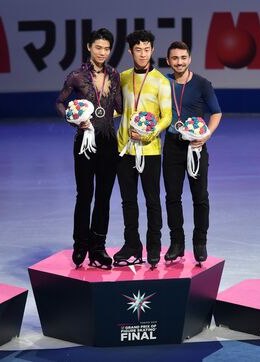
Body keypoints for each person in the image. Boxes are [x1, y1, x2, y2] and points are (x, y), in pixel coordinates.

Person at [55, 28, 122, 269]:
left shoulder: (114, 75)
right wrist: (72, 118)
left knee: (104, 197)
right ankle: (80, 245)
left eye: (106, 48)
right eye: (98, 48)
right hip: (84, 141)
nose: (102, 52)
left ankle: (98, 248)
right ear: (89, 48)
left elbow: (119, 106)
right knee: (84, 195)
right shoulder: (76, 76)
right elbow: (60, 102)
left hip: (108, 141)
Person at [113, 30, 172, 269]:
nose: (143, 54)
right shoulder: (123, 78)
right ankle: (132, 245)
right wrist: (94, 115)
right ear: (131, 52)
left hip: (150, 150)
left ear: (152, 51)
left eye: (147, 50)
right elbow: (118, 109)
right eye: (138, 50)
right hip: (124, 149)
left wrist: (150, 133)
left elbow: (166, 116)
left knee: (152, 201)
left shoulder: (160, 80)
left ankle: (154, 245)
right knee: (128, 201)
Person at [163, 41, 222, 265]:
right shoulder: (163, 82)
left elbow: (216, 113)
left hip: (196, 146)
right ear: (168, 61)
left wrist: (207, 134)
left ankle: (200, 243)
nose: (179, 62)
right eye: (175, 58)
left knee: (200, 197)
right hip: (171, 145)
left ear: (189, 59)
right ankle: (177, 243)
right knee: (172, 197)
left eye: (183, 58)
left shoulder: (202, 84)